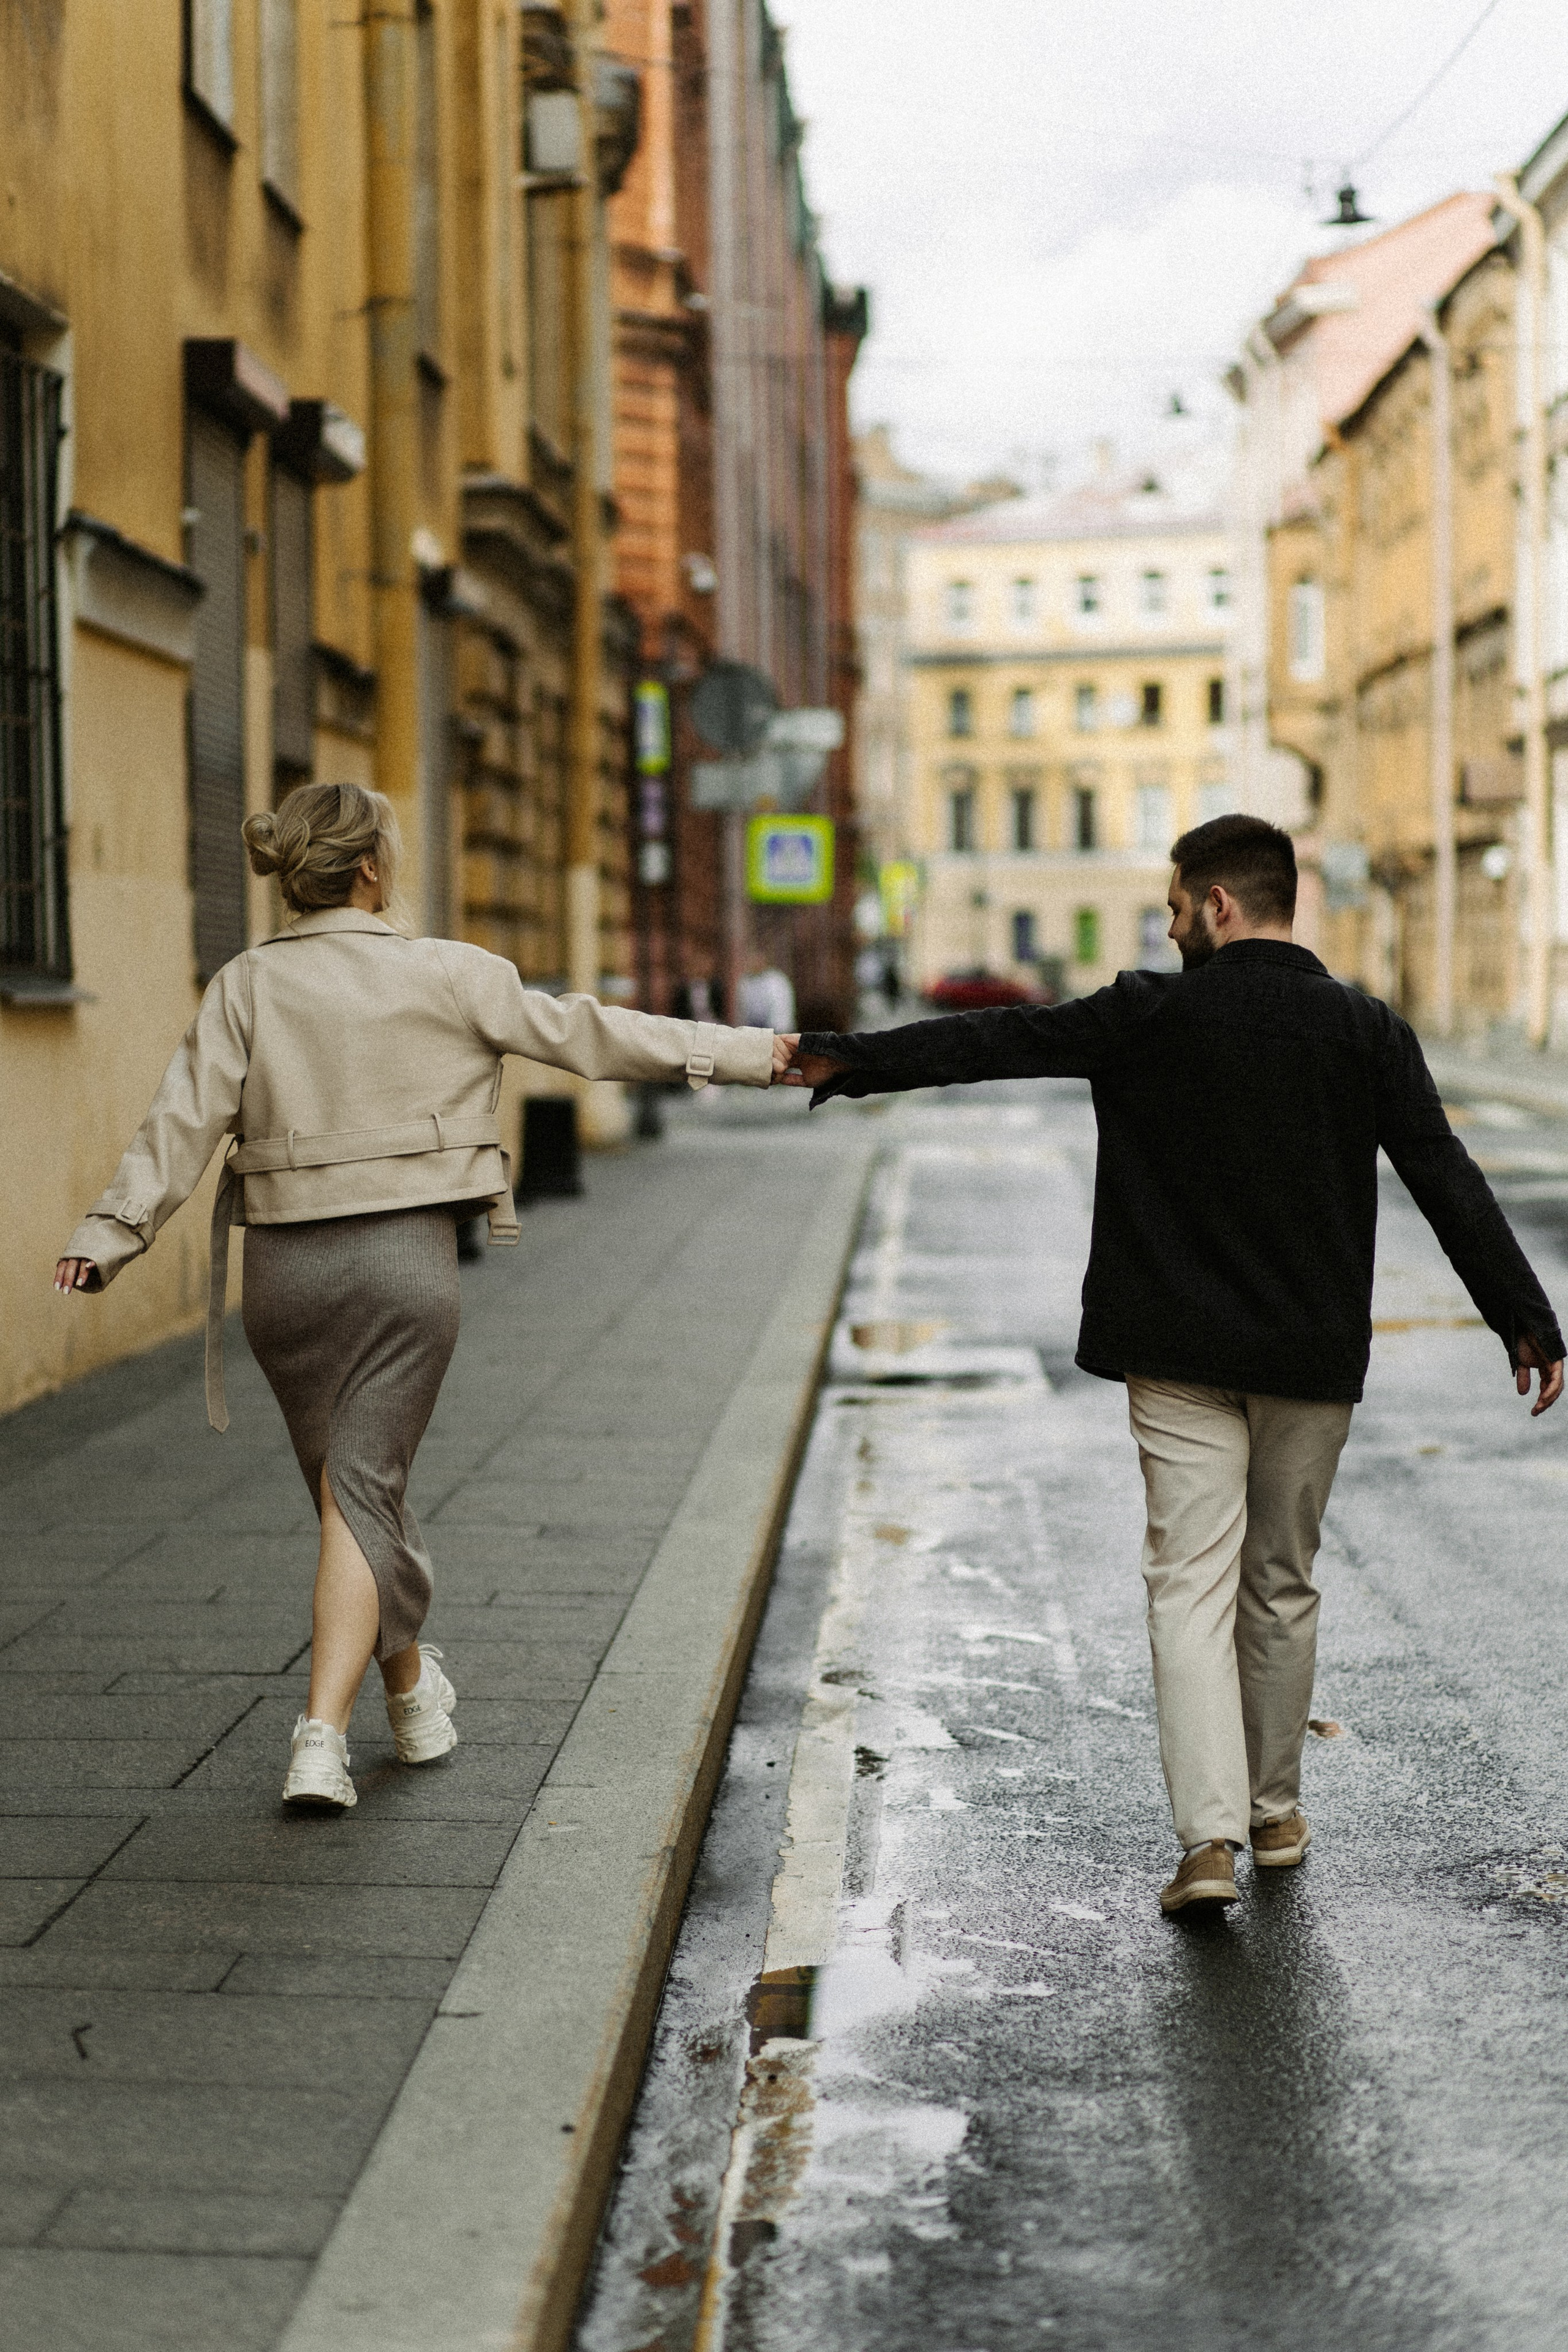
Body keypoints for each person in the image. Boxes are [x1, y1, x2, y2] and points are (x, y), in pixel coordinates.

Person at [780, 815, 1565, 1917]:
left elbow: (1002, 1042)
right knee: (1281, 1584)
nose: (1168, 922)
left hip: (1178, 1353)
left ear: (1221, 907)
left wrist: (854, 1060)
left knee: (1187, 1587)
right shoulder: (1365, 1030)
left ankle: (1208, 1844)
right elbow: (1443, 1171)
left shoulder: (1148, 1014)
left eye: (1175, 904)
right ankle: (1275, 1812)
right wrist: (1523, 1318)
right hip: (1308, 1354)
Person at [55, 782, 796, 1812]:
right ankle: (321, 1736)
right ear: (369, 870)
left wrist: (109, 1236)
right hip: (403, 1269)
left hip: (284, 1281)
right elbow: (591, 1035)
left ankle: (409, 1694)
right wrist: (759, 1055)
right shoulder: (450, 973)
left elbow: (177, 1124)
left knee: (349, 1497)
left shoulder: (244, 986)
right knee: (362, 1498)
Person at [737, 951, 796, 1036]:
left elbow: (779, 1010)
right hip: (757, 1030)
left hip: (778, 1030)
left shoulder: (776, 980)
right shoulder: (747, 981)